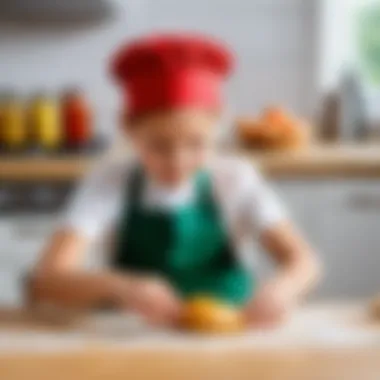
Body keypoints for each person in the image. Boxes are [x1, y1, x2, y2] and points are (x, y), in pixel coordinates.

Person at [30, 33, 320, 328]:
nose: (178, 161)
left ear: (218, 126)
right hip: (135, 338)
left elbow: (304, 262)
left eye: (196, 144)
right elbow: (45, 280)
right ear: (127, 128)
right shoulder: (110, 180)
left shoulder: (236, 179)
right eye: (159, 145)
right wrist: (121, 287)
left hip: (230, 336)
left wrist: (284, 290)